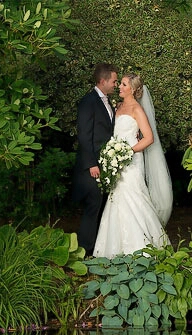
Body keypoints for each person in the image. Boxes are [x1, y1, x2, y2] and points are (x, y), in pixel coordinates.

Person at [92, 73, 172, 259]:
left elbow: (149, 138)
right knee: (116, 198)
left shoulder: (137, 109)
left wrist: (128, 151)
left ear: (133, 89)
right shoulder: (118, 107)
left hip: (131, 161)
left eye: (124, 84)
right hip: (116, 160)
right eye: (120, 83)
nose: (119, 86)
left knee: (134, 198)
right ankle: (115, 249)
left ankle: (144, 249)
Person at [74, 63, 118, 256]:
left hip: (105, 163)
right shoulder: (88, 101)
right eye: (114, 81)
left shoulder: (107, 101)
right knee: (93, 206)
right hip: (93, 165)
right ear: (103, 81)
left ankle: (97, 248)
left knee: (100, 206)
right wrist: (92, 163)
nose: (116, 85)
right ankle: (85, 249)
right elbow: (84, 135)